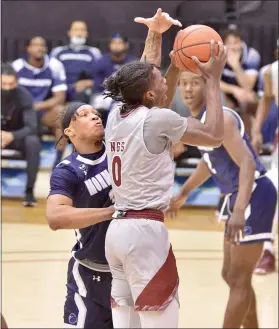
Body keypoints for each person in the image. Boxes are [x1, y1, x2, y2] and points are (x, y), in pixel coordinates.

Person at [103, 8, 227, 328]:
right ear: (149, 93)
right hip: (145, 234)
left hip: (116, 232)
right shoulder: (158, 118)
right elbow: (214, 136)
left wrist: (156, 34)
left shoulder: (117, 114)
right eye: (161, 79)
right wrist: (212, 80)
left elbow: (147, 70)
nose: (165, 78)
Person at [167, 69, 277, 328]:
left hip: (254, 193)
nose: (188, 89)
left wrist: (239, 210)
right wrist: (184, 192)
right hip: (237, 196)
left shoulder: (223, 119)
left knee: (238, 277)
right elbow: (209, 161)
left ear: (208, 87)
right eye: (183, 84)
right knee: (230, 274)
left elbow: (248, 164)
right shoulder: (200, 121)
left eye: (195, 83)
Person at [46, 102, 114, 328]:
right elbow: (55, 217)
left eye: (96, 113)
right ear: (69, 131)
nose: (95, 117)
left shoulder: (119, 150)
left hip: (130, 269)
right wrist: (111, 212)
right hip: (90, 273)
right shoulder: (67, 170)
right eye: (84, 115)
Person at [12, 36, 67, 167]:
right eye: (35, 45)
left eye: (42, 45)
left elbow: (60, 97)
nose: (39, 48)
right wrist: (26, 107)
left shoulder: (55, 65)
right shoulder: (17, 66)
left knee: (62, 113)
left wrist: (38, 106)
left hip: (42, 109)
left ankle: (58, 161)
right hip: (21, 111)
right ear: (28, 48)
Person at [251, 40, 278, 275]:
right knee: (272, 192)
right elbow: (267, 98)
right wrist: (257, 128)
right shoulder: (271, 72)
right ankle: (267, 251)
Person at [1, 63, 40, 206]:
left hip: (16, 137)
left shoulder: (24, 96)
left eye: (10, 84)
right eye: (3, 84)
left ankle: (29, 192)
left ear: (16, 82)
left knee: (33, 142)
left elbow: (32, 127)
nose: (6, 88)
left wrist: (11, 136)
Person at [220, 25, 260, 136]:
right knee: (218, 100)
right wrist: (233, 90)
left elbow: (248, 86)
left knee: (248, 101)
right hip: (228, 93)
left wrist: (236, 65)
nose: (232, 47)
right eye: (229, 43)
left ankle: (249, 141)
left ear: (241, 43)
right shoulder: (218, 54)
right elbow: (212, 81)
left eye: (236, 42)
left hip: (249, 93)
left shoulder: (252, 55)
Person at [50, 20, 102, 103]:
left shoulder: (94, 52)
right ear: (69, 33)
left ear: (87, 34)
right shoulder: (58, 51)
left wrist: (88, 83)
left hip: (83, 91)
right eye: (76, 30)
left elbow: (101, 76)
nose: (79, 33)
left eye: (82, 30)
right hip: (61, 89)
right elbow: (49, 73)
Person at [92, 33, 136, 126]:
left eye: (119, 43)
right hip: (104, 94)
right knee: (96, 104)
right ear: (109, 45)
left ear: (126, 45)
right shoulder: (101, 61)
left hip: (125, 95)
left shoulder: (133, 63)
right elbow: (97, 86)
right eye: (113, 43)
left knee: (121, 105)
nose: (116, 46)